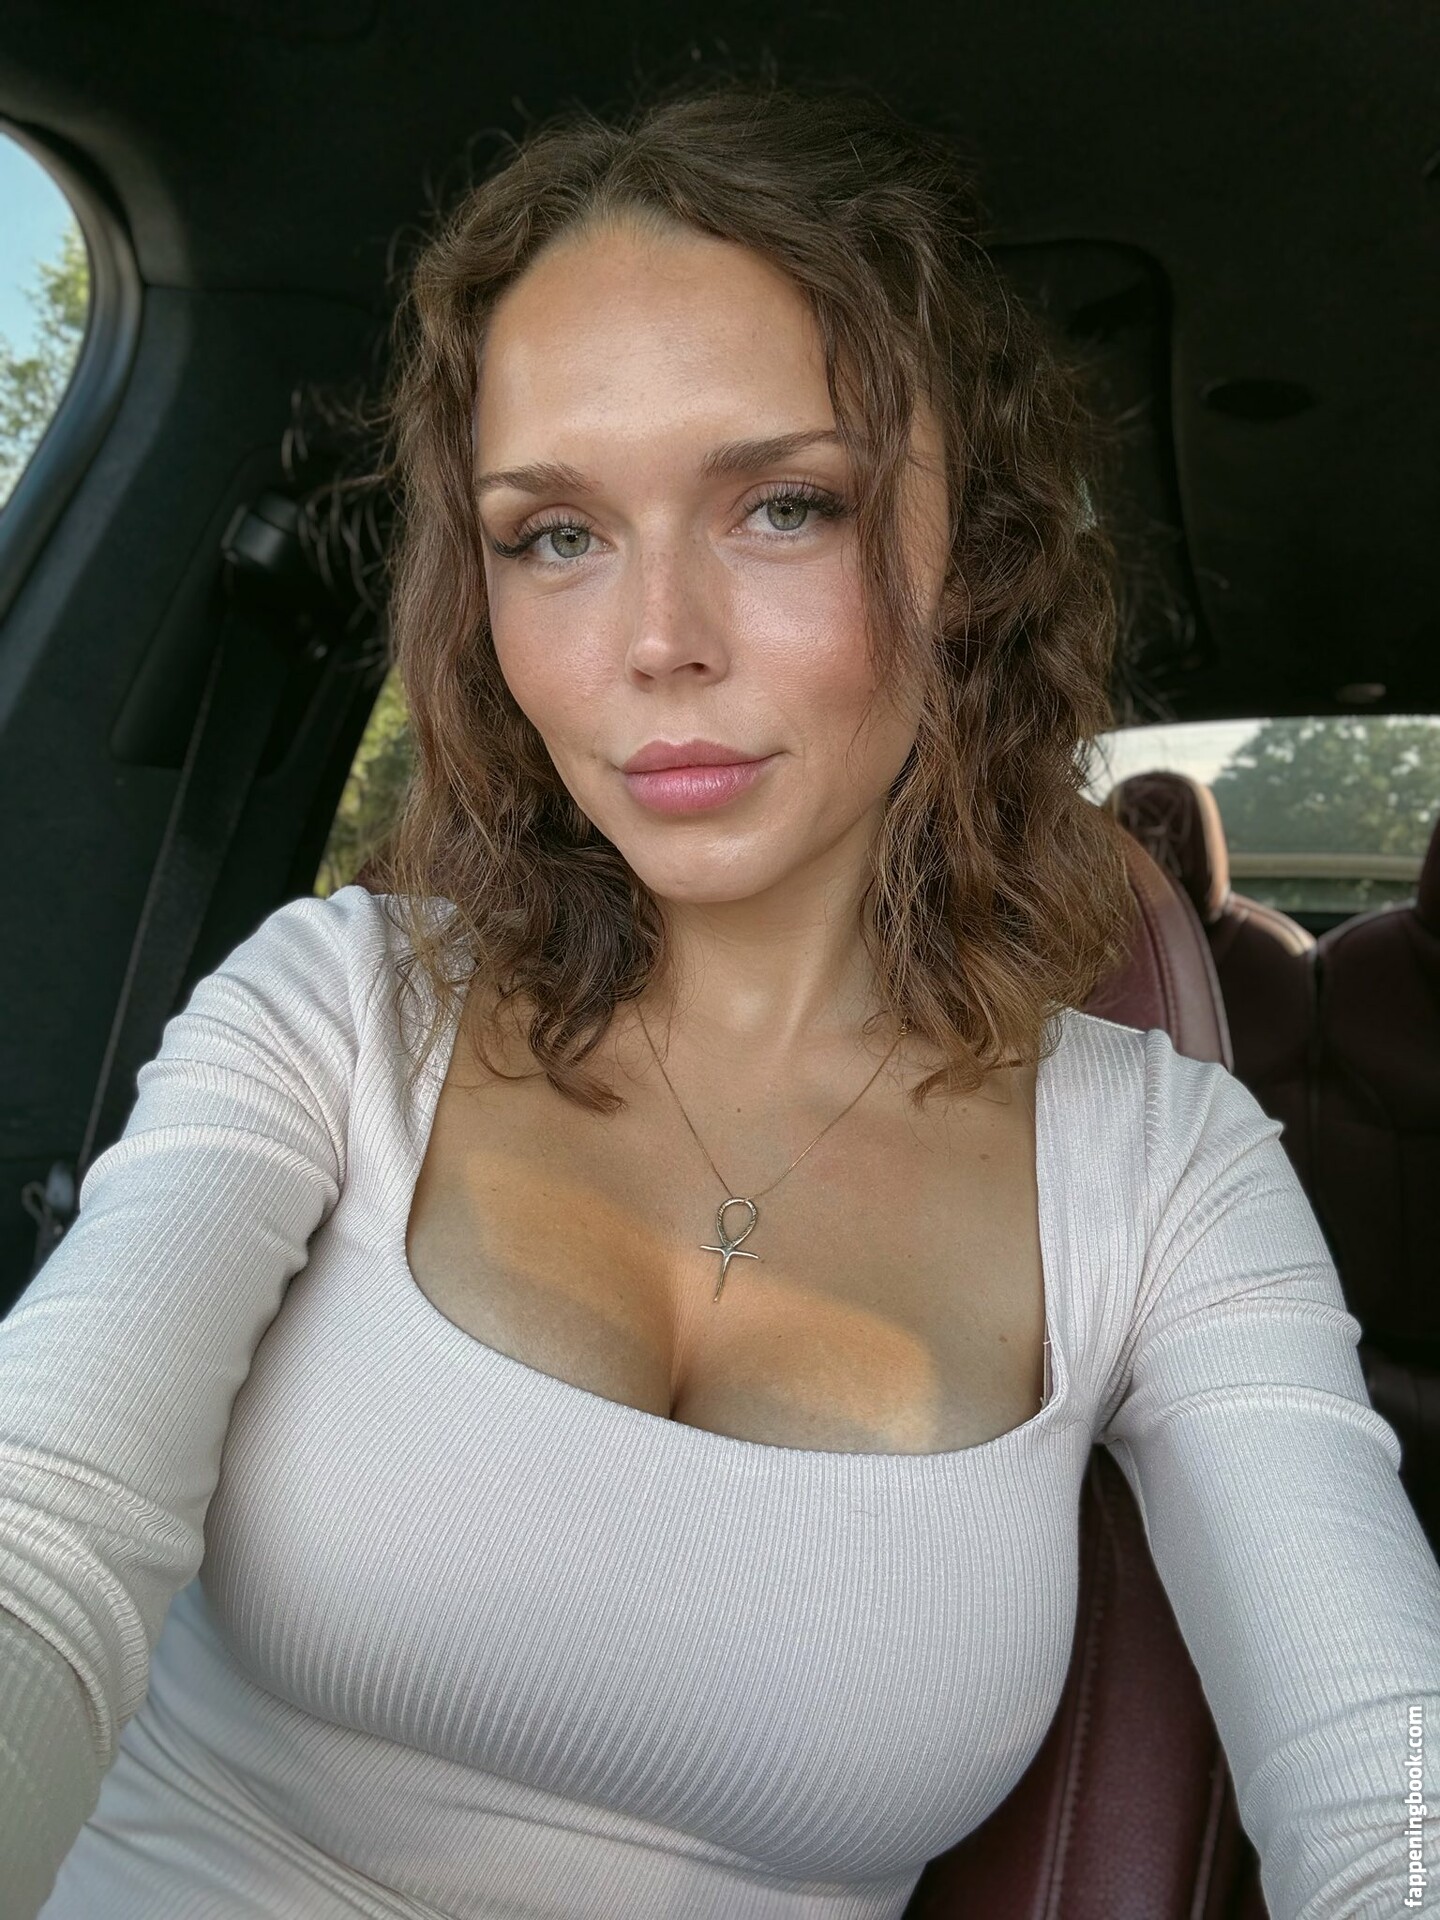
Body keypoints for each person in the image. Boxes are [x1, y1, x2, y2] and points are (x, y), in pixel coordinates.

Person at [2, 76, 1436, 1920]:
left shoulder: (1167, 1171)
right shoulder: (334, 1006)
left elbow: (1386, 1785)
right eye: (556, 534)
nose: (654, 640)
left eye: (782, 506)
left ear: (974, 553)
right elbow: (37, 1540)